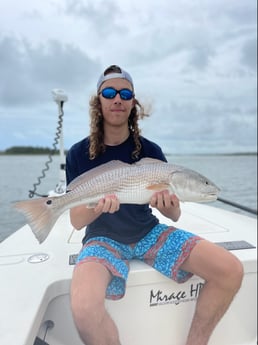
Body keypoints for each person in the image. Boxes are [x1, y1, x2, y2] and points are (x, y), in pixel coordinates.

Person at [66, 65, 243, 345]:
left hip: (149, 233)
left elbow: (174, 214)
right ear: (98, 101)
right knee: (84, 308)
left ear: (133, 103)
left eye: (125, 93)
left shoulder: (151, 151)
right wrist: (97, 206)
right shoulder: (78, 153)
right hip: (102, 239)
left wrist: (167, 205)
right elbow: (76, 221)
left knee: (230, 270)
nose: (117, 99)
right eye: (109, 92)